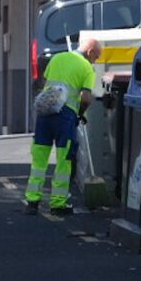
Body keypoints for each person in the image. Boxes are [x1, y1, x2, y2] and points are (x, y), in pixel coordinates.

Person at [25, 36, 99, 216]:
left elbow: (46, 82)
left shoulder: (57, 58)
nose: (95, 61)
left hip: (45, 114)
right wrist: (80, 114)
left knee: (39, 160)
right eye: (96, 57)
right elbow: (87, 98)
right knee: (64, 161)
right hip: (65, 117)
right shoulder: (87, 68)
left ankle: (32, 202)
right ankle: (58, 204)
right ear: (90, 52)